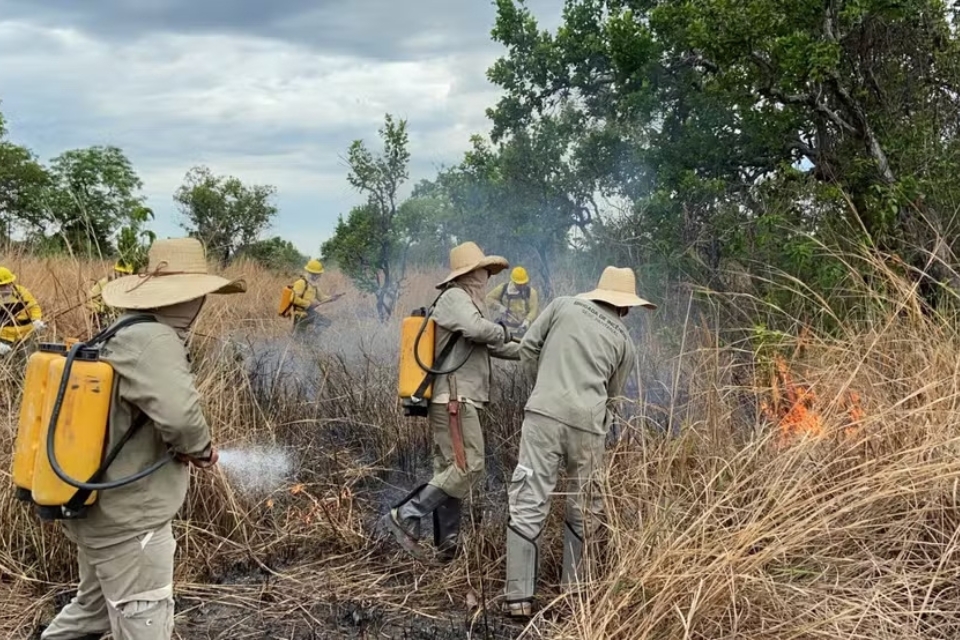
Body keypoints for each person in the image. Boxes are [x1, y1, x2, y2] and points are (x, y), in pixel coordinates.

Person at [40, 237, 246, 640]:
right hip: (130, 523)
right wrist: (200, 450)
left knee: (93, 612)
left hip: (101, 512)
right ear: (189, 297)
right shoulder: (155, 340)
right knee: (143, 618)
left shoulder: (123, 330)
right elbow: (182, 417)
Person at [502, 266, 656, 618]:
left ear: (596, 292)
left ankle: (519, 598)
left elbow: (528, 348)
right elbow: (613, 400)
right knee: (585, 505)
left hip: (542, 414)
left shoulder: (561, 305)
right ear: (626, 307)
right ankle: (573, 594)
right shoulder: (625, 343)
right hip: (589, 427)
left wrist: (541, 388)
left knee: (529, 496)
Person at [382, 241, 520, 562]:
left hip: (458, 398)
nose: (488, 276)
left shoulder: (468, 303)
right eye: (485, 270)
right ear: (472, 273)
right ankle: (406, 515)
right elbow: (478, 330)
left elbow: (491, 344)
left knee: (450, 471)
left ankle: (447, 550)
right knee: (469, 466)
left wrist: (532, 350)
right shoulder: (455, 298)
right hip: (455, 399)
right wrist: (501, 331)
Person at [0, 266, 44, 361]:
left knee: (27, 362)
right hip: (4, 337)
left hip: (25, 335)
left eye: (9, 284)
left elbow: (34, 307)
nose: (7, 288)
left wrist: (36, 320)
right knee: (7, 363)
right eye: (3, 286)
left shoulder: (22, 292)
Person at [289, 258, 341, 334]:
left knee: (326, 323)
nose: (318, 276)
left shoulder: (314, 285)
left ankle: (312, 339)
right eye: (316, 274)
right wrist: (308, 304)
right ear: (310, 273)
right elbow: (292, 298)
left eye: (319, 274)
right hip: (300, 314)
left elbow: (322, 298)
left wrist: (332, 298)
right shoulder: (301, 283)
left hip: (309, 313)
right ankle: (310, 340)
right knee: (299, 337)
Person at [485, 266, 540, 337]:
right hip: (506, 329)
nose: (522, 286)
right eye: (519, 284)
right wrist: (500, 307)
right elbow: (488, 299)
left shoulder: (531, 293)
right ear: (514, 281)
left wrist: (527, 321)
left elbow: (533, 310)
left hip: (524, 330)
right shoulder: (503, 289)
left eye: (524, 283)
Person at [87, 261, 134, 330]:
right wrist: (102, 309)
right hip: (105, 316)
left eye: (127, 274)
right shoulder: (104, 283)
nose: (124, 276)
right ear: (116, 272)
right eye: (122, 273)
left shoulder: (130, 285)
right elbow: (89, 300)